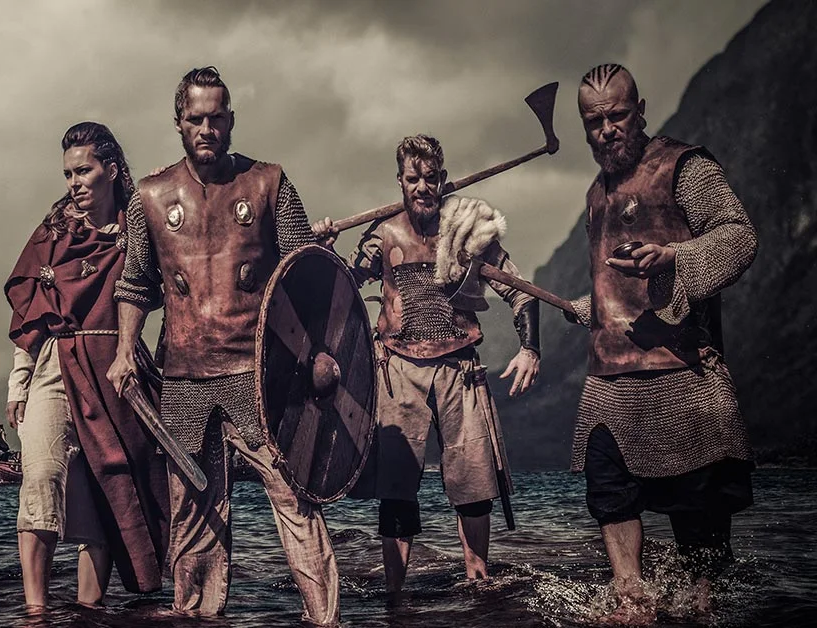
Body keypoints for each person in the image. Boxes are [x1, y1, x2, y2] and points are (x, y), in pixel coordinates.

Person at [105, 66, 338, 625]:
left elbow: (303, 275)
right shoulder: (151, 197)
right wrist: (123, 349)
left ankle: (325, 617)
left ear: (231, 119)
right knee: (193, 510)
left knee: (294, 497)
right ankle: (196, 613)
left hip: (260, 372)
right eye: (196, 119)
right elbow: (136, 283)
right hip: (184, 374)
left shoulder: (268, 183)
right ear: (179, 123)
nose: (207, 128)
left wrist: (324, 345)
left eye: (217, 118)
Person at [565, 63, 756, 624]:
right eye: (593, 121)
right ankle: (631, 603)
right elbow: (614, 284)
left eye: (617, 116)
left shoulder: (684, 167)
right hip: (610, 385)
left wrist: (677, 257)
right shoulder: (594, 194)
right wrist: (588, 307)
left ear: (641, 110)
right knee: (609, 495)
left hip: (683, 375)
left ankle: (702, 608)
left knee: (701, 556)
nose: (607, 130)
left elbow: (740, 236)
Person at [314, 134, 541, 595]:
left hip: (461, 371)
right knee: (396, 488)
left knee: (475, 486)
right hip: (397, 371)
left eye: (431, 177)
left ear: (442, 177)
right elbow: (342, 283)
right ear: (400, 180)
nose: (422, 186)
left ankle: (478, 583)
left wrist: (530, 348)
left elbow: (520, 289)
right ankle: (396, 596)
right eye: (413, 178)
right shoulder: (382, 234)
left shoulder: (468, 230)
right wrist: (325, 245)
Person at [3, 121, 168, 610]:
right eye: (68, 173)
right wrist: (19, 383)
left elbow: (181, 268)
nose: (74, 182)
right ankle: (36, 611)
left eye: (84, 171)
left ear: (111, 171)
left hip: (119, 365)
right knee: (40, 479)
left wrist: (163, 195)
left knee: (105, 490)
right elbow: (30, 309)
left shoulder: (140, 226)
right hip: (56, 363)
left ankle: (87, 613)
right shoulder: (53, 234)